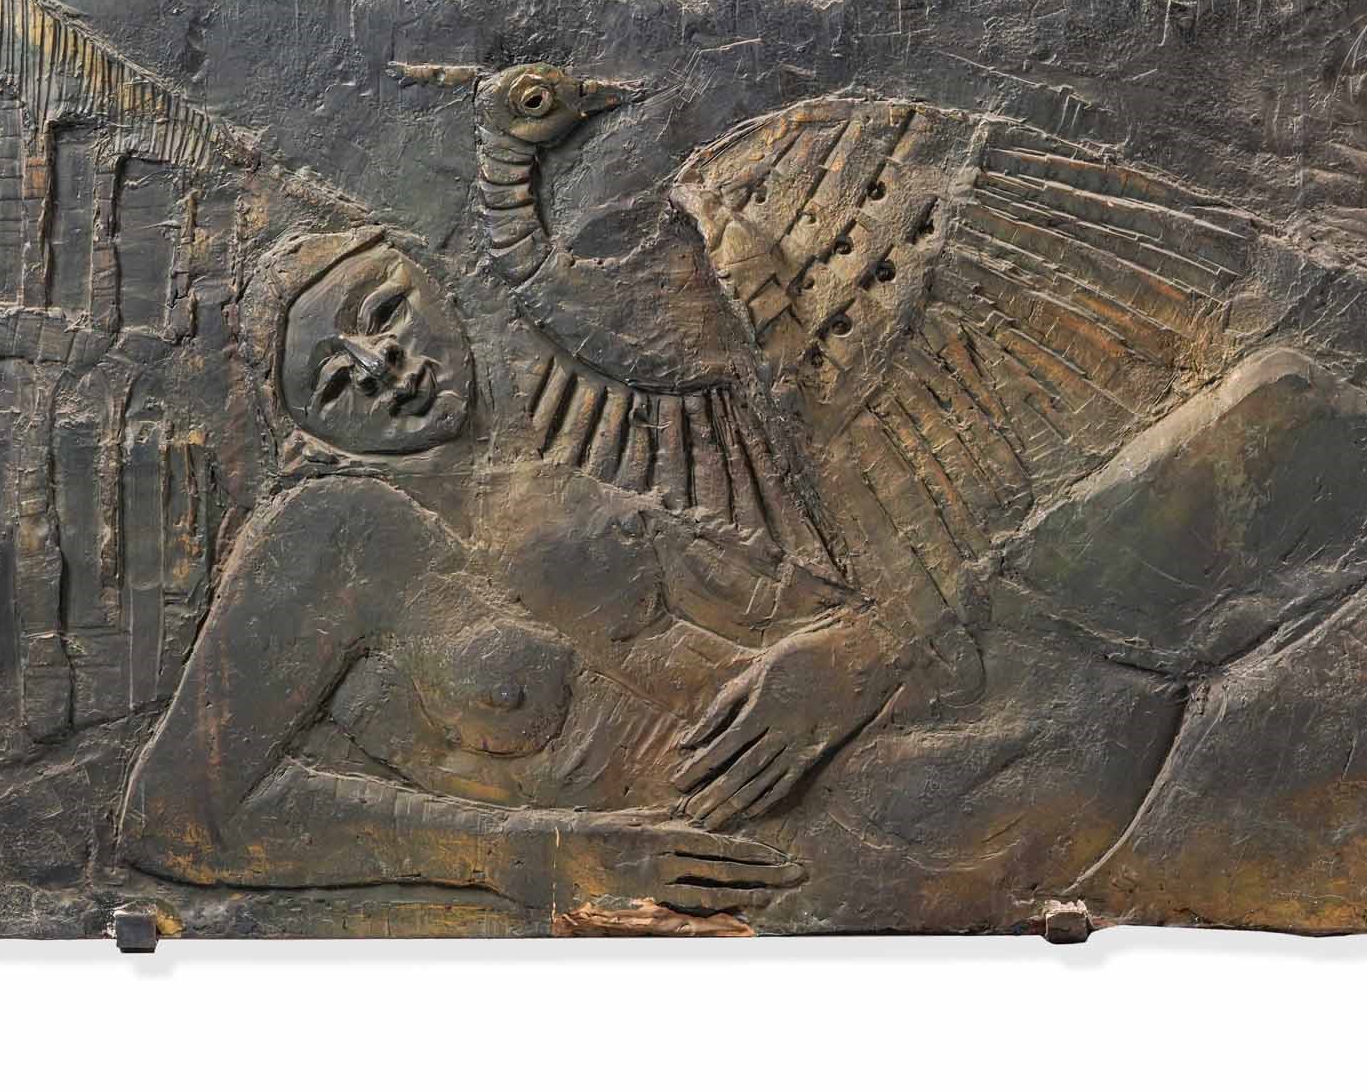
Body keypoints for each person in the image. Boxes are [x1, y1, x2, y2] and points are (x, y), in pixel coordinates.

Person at [117, 230, 929, 928]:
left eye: (385, 310)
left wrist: (843, 659)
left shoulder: (563, 488)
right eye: (331, 380)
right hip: (745, 892)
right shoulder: (331, 533)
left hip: (890, 803)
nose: (377, 362)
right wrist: (523, 853)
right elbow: (179, 814)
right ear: (307, 428)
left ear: (439, 285)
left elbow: (870, 625)